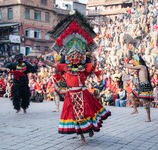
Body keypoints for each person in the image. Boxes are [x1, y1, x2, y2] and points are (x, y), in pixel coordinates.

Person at [38, 10, 111, 144]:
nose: (75, 57)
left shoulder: (84, 67)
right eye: (72, 55)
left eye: (78, 55)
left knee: (87, 113)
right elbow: (53, 65)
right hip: (71, 95)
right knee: (76, 117)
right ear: (68, 57)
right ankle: (82, 137)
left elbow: (93, 66)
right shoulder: (65, 67)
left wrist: (92, 58)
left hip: (83, 93)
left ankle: (89, 128)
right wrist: (43, 59)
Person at [125, 55, 154, 122]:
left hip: (145, 86)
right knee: (131, 96)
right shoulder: (139, 68)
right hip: (140, 86)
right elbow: (129, 71)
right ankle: (135, 109)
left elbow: (131, 67)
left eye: (135, 61)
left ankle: (148, 117)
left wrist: (126, 64)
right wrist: (127, 64)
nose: (134, 62)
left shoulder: (142, 67)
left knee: (145, 103)